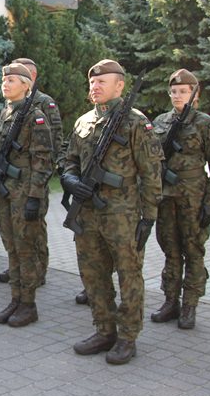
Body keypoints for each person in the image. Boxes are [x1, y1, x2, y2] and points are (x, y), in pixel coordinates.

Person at [61, 59, 162, 365]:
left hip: (123, 214)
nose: (95, 86)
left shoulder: (135, 122)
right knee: (93, 273)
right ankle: (104, 329)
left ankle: (127, 336)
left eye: (102, 82)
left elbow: (151, 172)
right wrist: (70, 180)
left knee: (129, 275)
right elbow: (70, 160)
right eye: (92, 82)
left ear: (119, 86)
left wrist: (149, 216)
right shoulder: (83, 121)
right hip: (87, 212)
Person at [151, 69, 210, 330]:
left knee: (193, 251)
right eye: (173, 91)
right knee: (170, 250)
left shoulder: (205, 123)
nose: (177, 95)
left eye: (183, 91)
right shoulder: (160, 121)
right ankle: (170, 301)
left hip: (193, 198)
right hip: (166, 198)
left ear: (195, 95)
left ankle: (190, 305)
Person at [0, 63, 51, 326]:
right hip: (5, 191)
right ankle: (16, 298)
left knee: (25, 249)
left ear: (26, 85)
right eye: (4, 80)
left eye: (11, 80)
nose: (5, 84)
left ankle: (28, 304)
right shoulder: (5, 112)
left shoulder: (35, 117)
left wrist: (34, 197)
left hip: (24, 192)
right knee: (11, 247)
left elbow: (43, 161)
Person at [0, 58, 62, 287]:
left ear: (30, 78)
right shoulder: (9, 106)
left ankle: (38, 270)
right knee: (16, 233)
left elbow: (53, 140)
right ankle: (19, 270)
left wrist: (41, 179)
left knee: (35, 230)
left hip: (33, 178)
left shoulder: (44, 103)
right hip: (12, 181)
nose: (6, 83)